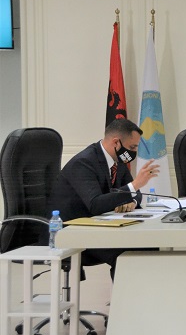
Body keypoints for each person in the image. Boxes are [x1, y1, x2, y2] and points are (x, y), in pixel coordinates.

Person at [47, 118, 159, 279]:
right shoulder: (83, 162)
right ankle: (127, 296)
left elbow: (135, 193)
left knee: (149, 247)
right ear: (116, 142)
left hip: (99, 227)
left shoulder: (118, 161)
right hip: (72, 232)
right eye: (132, 147)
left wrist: (132, 201)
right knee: (128, 254)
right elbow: (95, 204)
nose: (134, 152)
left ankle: (145, 295)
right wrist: (134, 186)